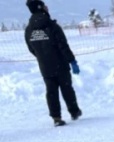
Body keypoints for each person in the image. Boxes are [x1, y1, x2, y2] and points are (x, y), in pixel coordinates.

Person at [25, 0, 82, 128]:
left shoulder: (29, 30)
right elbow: (63, 46)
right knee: (67, 89)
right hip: (60, 65)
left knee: (51, 92)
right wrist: (72, 60)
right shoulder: (52, 26)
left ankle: (56, 117)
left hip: (45, 67)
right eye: (44, 5)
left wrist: (42, 57)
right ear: (40, 8)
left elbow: (31, 48)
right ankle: (74, 112)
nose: (47, 7)